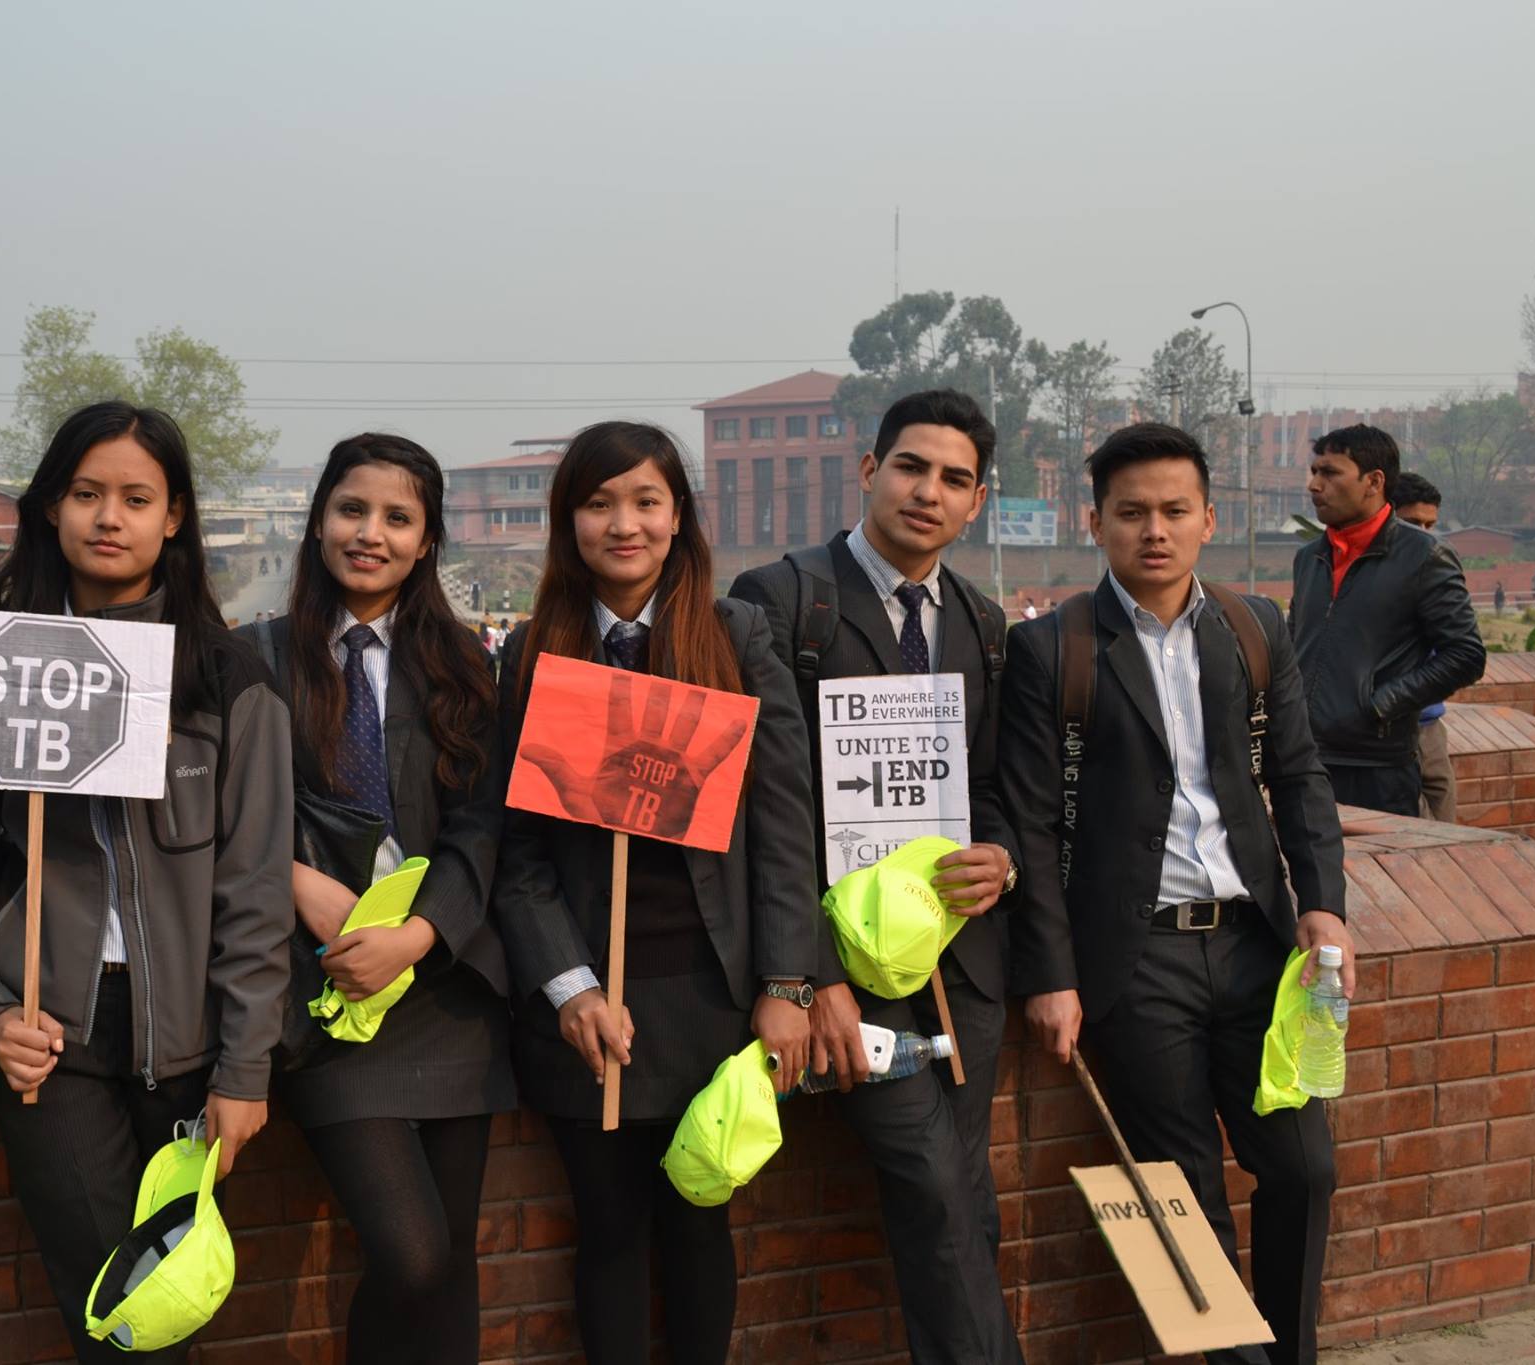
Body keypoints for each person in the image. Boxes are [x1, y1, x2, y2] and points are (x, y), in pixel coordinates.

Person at [0, 401, 294, 1364]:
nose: (109, 517)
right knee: (113, 1319)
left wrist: (245, 1069)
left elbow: (255, 891)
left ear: (176, 516)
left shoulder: (230, 680)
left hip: (189, 1047)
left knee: (171, 1308)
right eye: (86, 493)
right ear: (50, 507)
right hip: (48, 1039)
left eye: (136, 497)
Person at [1001, 423, 1349, 1365]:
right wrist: (1052, 973)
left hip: (1255, 945)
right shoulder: (1051, 647)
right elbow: (1028, 824)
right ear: (1097, 521)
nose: (1154, 530)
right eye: (1131, 512)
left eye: (1173, 510)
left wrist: (1324, 901)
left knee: (1304, 1167)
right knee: (1179, 1191)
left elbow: (1301, 772)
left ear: (1206, 518)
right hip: (1135, 960)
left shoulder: (1252, 626)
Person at [492, 421, 815, 1365]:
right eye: (598, 503)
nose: (622, 523)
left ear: (679, 516)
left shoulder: (738, 635)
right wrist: (570, 985)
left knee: (697, 1224)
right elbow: (516, 854)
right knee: (611, 1229)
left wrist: (790, 984)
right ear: (569, 522)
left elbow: (785, 825)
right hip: (592, 1005)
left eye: (644, 500)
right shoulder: (531, 653)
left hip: (712, 1000)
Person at [729, 388, 1023, 1363]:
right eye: (909, 468)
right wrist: (811, 977)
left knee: (963, 1196)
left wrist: (1002, 855)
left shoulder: (982, 623)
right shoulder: (781, 601)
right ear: (867, 470)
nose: (925, 493)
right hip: (847, 978)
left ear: (977, 500)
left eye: (952, 479)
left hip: (958, 966)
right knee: (933, 1186)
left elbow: (996, 786)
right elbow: (762, 813)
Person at [240, 434, 513, 1364]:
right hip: (327, 994)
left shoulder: (467, 666)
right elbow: (202, 811)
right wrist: (292, 879)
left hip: (445, 990)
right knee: (414, 1252)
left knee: (449, 1266)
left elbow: (486, 826)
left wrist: (422, 931)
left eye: (399, 518)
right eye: (353, 510)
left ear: (428, 540)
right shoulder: (253, 659)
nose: (372, 533)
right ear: (318, 520)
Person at [1291, 425, 1484, 816]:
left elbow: (1465, 654)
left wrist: (1380, 704)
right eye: (1314, 472)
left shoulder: (1423, 555)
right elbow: (1296, 643)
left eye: (1329, 473)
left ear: (1373, 481)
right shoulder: (1310, 557)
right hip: (1307, 759)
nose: (1315, 485)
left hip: (1377, 767)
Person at [1388, 473, 1458, 822]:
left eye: (1431, 524)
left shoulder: (1436, 576)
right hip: (1387, 730)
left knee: (1447, 829)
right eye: (1413, 523)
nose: (1424, 533)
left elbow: (1456, 650)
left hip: (1430, 724)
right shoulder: (1369, 577)